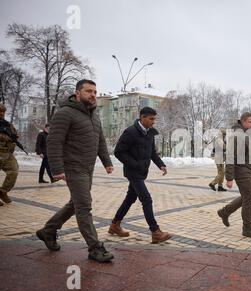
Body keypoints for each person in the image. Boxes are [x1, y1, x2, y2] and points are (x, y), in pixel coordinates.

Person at [36, 80, 115, 263]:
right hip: (73, 167)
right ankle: (95, 247)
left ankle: (48, 230)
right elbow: (54, 142)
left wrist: (106, 161)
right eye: (89, 91)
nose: (93, 95)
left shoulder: (94, 114)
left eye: (95, 91)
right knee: (84, 206)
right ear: (77, 93)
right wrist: (57, 169)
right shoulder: (65, 113)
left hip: (88, 167)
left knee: (75, 204)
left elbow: (100, 140)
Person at [109, 107, 172, 244]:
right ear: (142, 117)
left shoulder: (149, 133)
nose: (153, 122)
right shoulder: (130, 132)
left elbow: (152, 152)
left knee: (130, 199)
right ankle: (155, 232)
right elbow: (119, 152)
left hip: (142, 172)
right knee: (147, 200)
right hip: (133, 172)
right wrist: (135, 164)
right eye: (151, 119)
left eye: (154, 119)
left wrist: (161, 164)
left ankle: (115, 225)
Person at [217, 112, 251, 239]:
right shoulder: (235, 135)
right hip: (241, 171)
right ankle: (247, 228)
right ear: (243, 121)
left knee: (247, 197)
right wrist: (229, 178)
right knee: (249, 198)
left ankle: (225, 212)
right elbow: (230, 157)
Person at [0, 103, 19, 206]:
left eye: (3, 111)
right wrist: (6, 137)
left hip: (7, 154)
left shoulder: (7, 124)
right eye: (0, 111)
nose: (2, 113)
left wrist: (15, 135)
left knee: (14, 172)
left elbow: (14, 134)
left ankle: (3, 192)